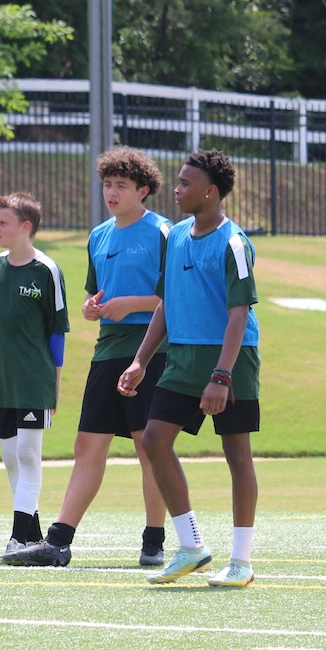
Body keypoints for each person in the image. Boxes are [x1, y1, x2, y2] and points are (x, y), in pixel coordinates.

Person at [9, 150, 170, 568]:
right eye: (107, 184)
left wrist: (129, 304)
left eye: (121, 185)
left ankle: (154, 541)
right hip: (107, 352)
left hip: (149, 351)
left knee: (146, 447)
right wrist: (91, 308)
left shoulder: (164, 232)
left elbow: (175, 298)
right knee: (87, 445)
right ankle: (58, 541)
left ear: (143, 190)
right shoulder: (98, 235)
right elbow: (94, 294)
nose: (111, 192)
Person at [121, 149, 262, 588]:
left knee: (236, 455)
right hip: (181, 357)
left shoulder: (235, 243)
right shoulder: (176, 235)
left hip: (229, 358)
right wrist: (141, 360)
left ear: (210, 191)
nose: (177, 190)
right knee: (154, 441)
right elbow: (165, 303)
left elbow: (238, 314)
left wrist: (222, 375)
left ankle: (241, 561)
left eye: (185, 183)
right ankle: (192, 546)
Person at [0, 191, 69, 562]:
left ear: (25, 227)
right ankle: (32, 534)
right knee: (11, 458)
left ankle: (17, 538)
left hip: (35, 380)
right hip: (2, 382)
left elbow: (57, 332)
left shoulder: (47, 270)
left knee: (28, 455)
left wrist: (56, 383)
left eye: (3, 222)